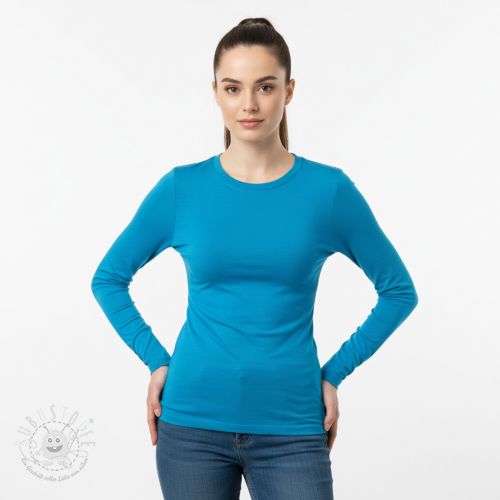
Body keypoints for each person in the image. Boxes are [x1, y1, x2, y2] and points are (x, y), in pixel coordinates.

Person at [90, 17, 418, 500]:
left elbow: (398, 292)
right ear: (216, 94)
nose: (248, 104)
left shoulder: (327, 191)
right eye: (233, 88)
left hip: (292, 427)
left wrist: (334, 373)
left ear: (289, 91)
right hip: (191, 426)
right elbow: (108, 278)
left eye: (265, 87)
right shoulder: (182, 189)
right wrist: (157, 361)